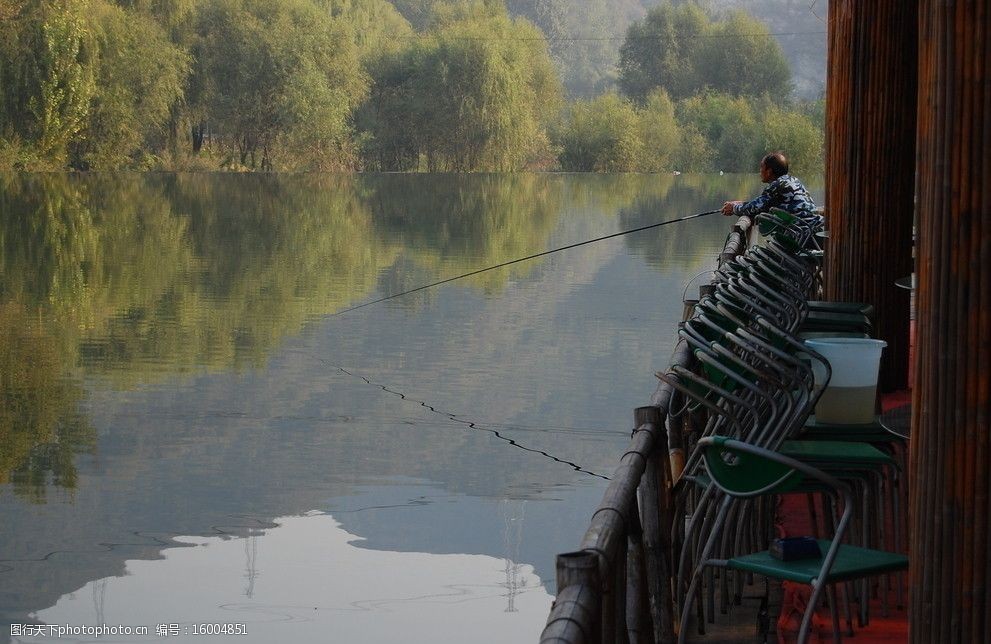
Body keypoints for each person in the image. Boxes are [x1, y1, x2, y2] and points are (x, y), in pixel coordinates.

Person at [721, 152, 821, 228]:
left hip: (804, 233)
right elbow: (761, 205)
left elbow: (753, 208)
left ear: (769, 171)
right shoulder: (793, 181)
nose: (760, 170)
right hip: (816, 228)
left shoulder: (777, 185)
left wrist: (733, 208)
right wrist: (737, 204)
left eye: (761, 167)